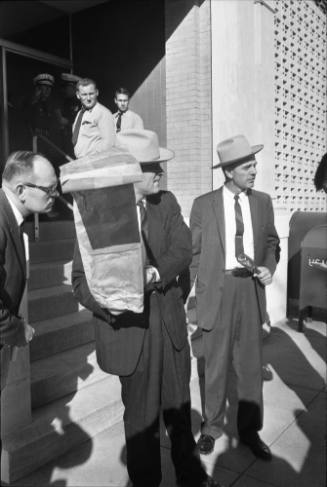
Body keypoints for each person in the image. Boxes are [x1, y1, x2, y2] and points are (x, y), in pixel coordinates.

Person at [72, 129, 221, 487]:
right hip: (130, 334)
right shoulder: (97, 214)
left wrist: (153, 274)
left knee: (179, 411)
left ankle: (191, 476)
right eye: (154, 166)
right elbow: (80, 280)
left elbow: (183, 251)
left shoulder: (165, 203)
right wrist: (110, 305)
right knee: (140, 421)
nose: (161, 173)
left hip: (168, 330)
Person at [190, 134, 280, 461]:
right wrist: (187, 296)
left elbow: (271, 243)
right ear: (229, 172)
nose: (255, 170)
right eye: (247, 166)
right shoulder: (203, 205)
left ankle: (250, 432)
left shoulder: (262, 202)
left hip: (250, 291)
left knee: (250, 367)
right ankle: (211, 427)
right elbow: (194, 255)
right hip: (217, 290)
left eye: (254, 164)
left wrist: (269, 267)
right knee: (214, 367)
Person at [0, 151, 58, 448]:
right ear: (21, 190)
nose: (55, 195)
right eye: (48, 189)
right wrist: (17, 329)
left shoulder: (12, 217)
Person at [72, 78, 116, 158]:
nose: (88, 98)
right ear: (78, 95)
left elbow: (109, 144)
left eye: (91, 94)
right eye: (84, 94)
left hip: (94, 163)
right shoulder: (80, 113)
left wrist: (90, 157)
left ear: (97, 93)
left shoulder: (103, 113)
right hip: (81, 162)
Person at [55, 73, 81, 157]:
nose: (65, 90)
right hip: (65, 141)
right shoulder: (65, 102)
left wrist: (67, 123)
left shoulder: (81, 103)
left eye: (67, 87)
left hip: (77, 142)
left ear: (74, 88)